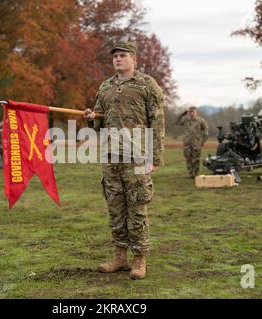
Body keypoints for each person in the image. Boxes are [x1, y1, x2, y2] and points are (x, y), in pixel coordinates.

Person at [84, 41, 165, 280]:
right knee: (115, 208)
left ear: (134, 59)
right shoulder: (106, 86)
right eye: (115, 56)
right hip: (111, 156)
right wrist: (91, 117)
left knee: (137, 207)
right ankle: (120, 257)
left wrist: (156, 156)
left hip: (137, 155)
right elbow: (99, 122)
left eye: (123, 55)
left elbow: (158, 122)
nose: (118, 59)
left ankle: (140, 259)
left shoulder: (147, 84)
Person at [175, 106, 208, 178]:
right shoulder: (185, 120)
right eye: (190, 112)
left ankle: (196, 173)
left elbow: (206, 131)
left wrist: (202, 142)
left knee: (196, 158)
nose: (191, 113)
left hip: (196, 142)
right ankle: (190, 173)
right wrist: (181, 115)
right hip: (187, 142)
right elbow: (177, 122)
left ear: (196, 112)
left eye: (193, 112)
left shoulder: (201, 120)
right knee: (188, 158)